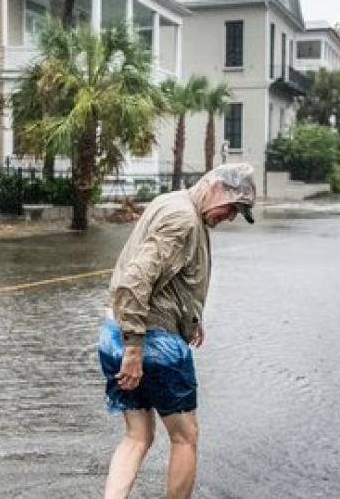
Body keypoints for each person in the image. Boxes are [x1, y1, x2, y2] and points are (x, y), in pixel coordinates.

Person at [99, 164, 257, 499]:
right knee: (185, 437)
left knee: (138, 436)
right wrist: (135, 349)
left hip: (113, 331)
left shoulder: (171, 202)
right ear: (215, 188)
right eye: (232, 208)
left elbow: (170, 275)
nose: (230, 217)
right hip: (150, 341)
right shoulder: (184, 219)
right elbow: (136, 279)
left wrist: (191, 319)